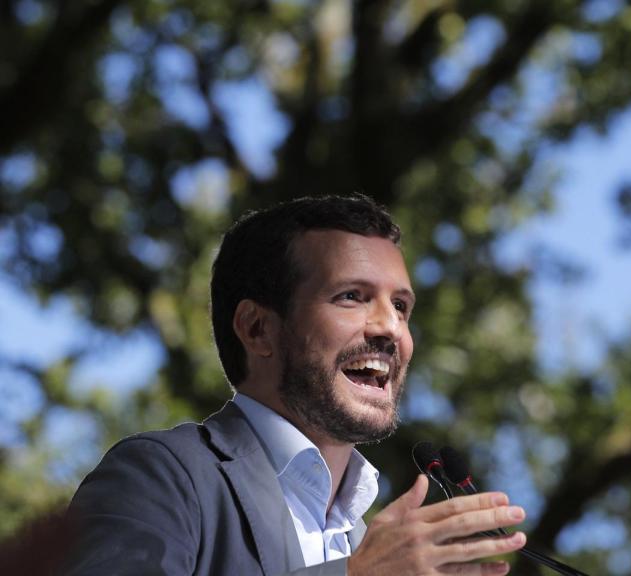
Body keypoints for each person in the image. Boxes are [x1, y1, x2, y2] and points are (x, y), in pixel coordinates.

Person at [62, 194, 527, 575]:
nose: (392, 329)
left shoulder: (372, 545)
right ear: (258, 329)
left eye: (401, 306)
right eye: (352, 296)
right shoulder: (161, 475)